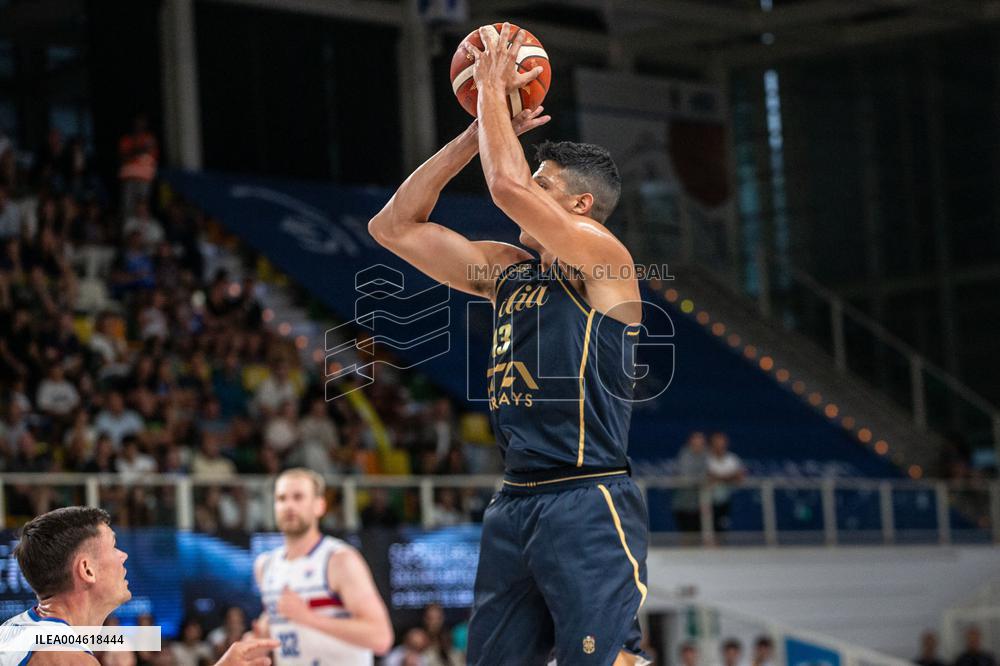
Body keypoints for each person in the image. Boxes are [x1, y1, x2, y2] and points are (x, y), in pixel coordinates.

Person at [370, 22, 647, 666]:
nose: (526, 188)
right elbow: (394, 226)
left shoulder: (604, 259)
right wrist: (474, 134)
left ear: (581, 205)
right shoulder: (506, 270)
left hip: (588, 496)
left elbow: (506, 188)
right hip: (515, 499)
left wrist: (493, 93)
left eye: (543, 183)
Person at [0, 505, 279, 665]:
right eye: (114, 546)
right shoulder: (65, 658)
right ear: (87, 570)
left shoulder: (19, 631)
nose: (123, 555)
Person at [252, 468, 393, 664]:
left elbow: (380, 637)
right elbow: (283, 627)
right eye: (282, 498)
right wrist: (259, 637)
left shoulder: (339, 559)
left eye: (298, 497)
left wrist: (309, 618)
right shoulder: (265, 566)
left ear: (319, 506)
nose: (289, 505)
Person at [706, 432, 744, 533]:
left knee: (722, 528)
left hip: (727, 500)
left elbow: (740, 475)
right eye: (716, 443)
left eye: (722, 443)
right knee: (706, 530)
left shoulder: (732, 458)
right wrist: (729, 476)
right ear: (711, 444)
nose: (719, 446)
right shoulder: (706, 458)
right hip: (706, 501)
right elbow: (708, 475)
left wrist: (718, 477)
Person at [671, 432, 708, 535]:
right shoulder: (685, 455)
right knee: (687, 534)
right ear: (690, 442)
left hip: (702, 504)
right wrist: (704, 478)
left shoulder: (706, 454)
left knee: (704, 534)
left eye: (701, 443)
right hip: (684, 504)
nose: (698, 445)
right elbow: (686, 475)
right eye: (695, 442)